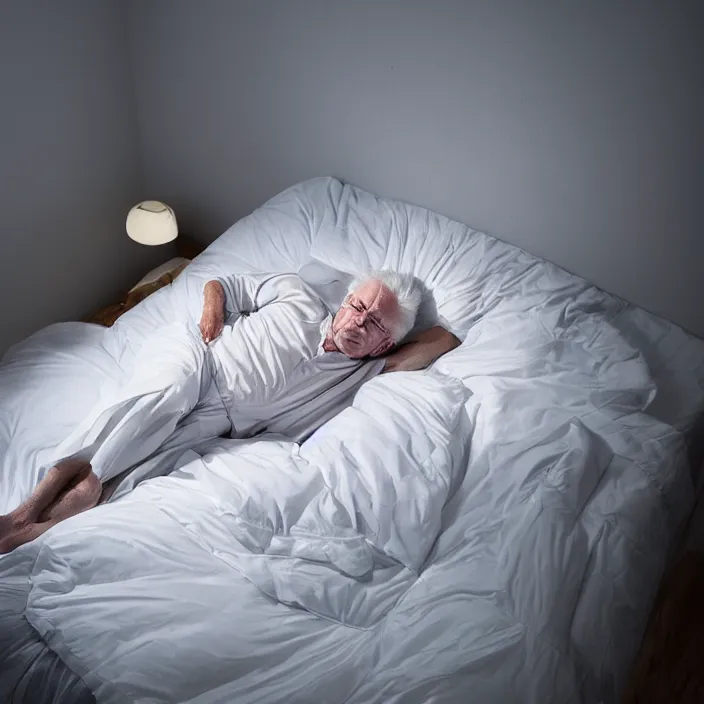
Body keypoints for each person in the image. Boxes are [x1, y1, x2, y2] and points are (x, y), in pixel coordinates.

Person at [0, 270, 460, 553]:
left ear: (388, 342)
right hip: (196, 359)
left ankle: (32, 532)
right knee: (160, 400)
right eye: (358, 305)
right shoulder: (299, 295)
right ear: (345, 301)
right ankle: (26, 509)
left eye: (375, 323)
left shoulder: (363, 371)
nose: (359, 321)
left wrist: (398, 334)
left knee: (137, 472)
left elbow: (443, 339)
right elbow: (225, 284)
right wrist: (212, 315)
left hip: (219, 421)